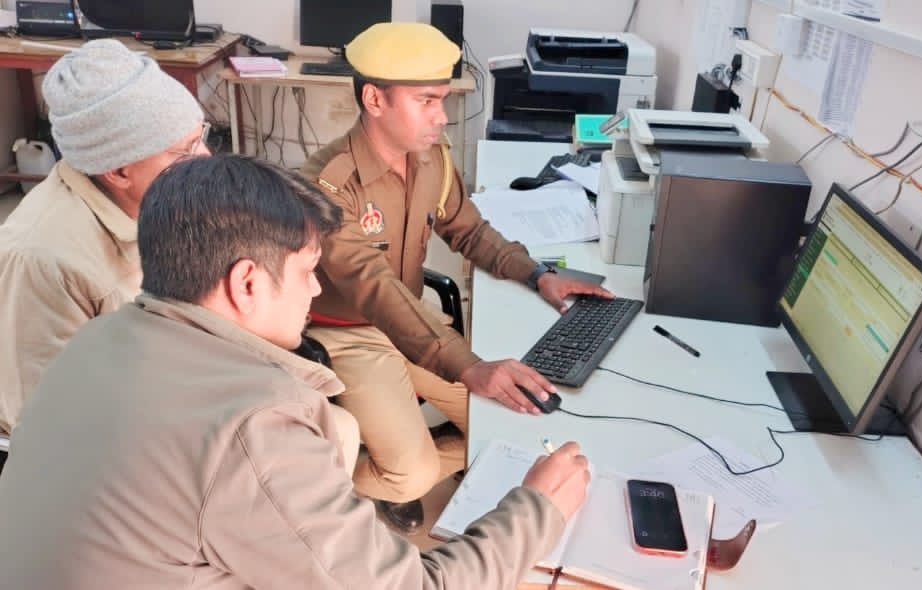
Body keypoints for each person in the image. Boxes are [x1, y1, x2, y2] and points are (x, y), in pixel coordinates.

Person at [0, 154, 591, 589]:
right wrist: (537, 510)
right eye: (308, 271)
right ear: (247, 282)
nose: (313, 290)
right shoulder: (252, 425)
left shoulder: (97, 338)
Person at [300, 22, 611, 533]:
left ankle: (408, 460)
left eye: (441, 99)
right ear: (375, 100)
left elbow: (470, 231)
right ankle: (334, 482)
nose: (441, 117)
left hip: (413, 323)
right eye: (426, 101)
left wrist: (538, 275)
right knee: (414, 472)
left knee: (514, 418)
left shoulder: (432, 161)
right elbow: (374, 287)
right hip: (349, 333)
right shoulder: (326, 185)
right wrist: (468, 366)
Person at [0, 38, 209, 435]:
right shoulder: (42, 260)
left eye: (201, 137)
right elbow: (44, 420)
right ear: (118, 171)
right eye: (185, 150)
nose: (205, 159)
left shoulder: (163, 200)